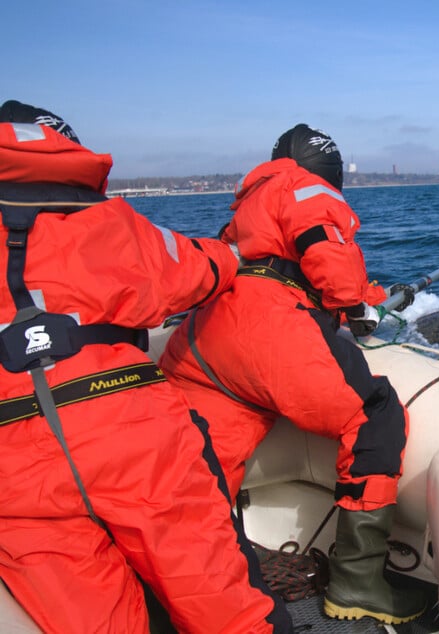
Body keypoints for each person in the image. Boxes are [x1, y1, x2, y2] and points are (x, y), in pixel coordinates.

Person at [0, 100, 293, 633]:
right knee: (222, 602)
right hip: (128, 428)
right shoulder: (110, 221)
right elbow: (197, 271)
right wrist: (235, 257)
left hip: (11, 462)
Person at [157, 123, 426, 624]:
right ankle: (358, 581)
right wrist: (360, 304)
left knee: (203, 467)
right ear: (331, 170)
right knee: (374, 414)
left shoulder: (247, 207)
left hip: (204, 344)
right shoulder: (309, 189)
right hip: (270, 335)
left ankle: (188, 587)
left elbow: (265, 264)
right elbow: (332, 268)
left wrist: (357, 298)